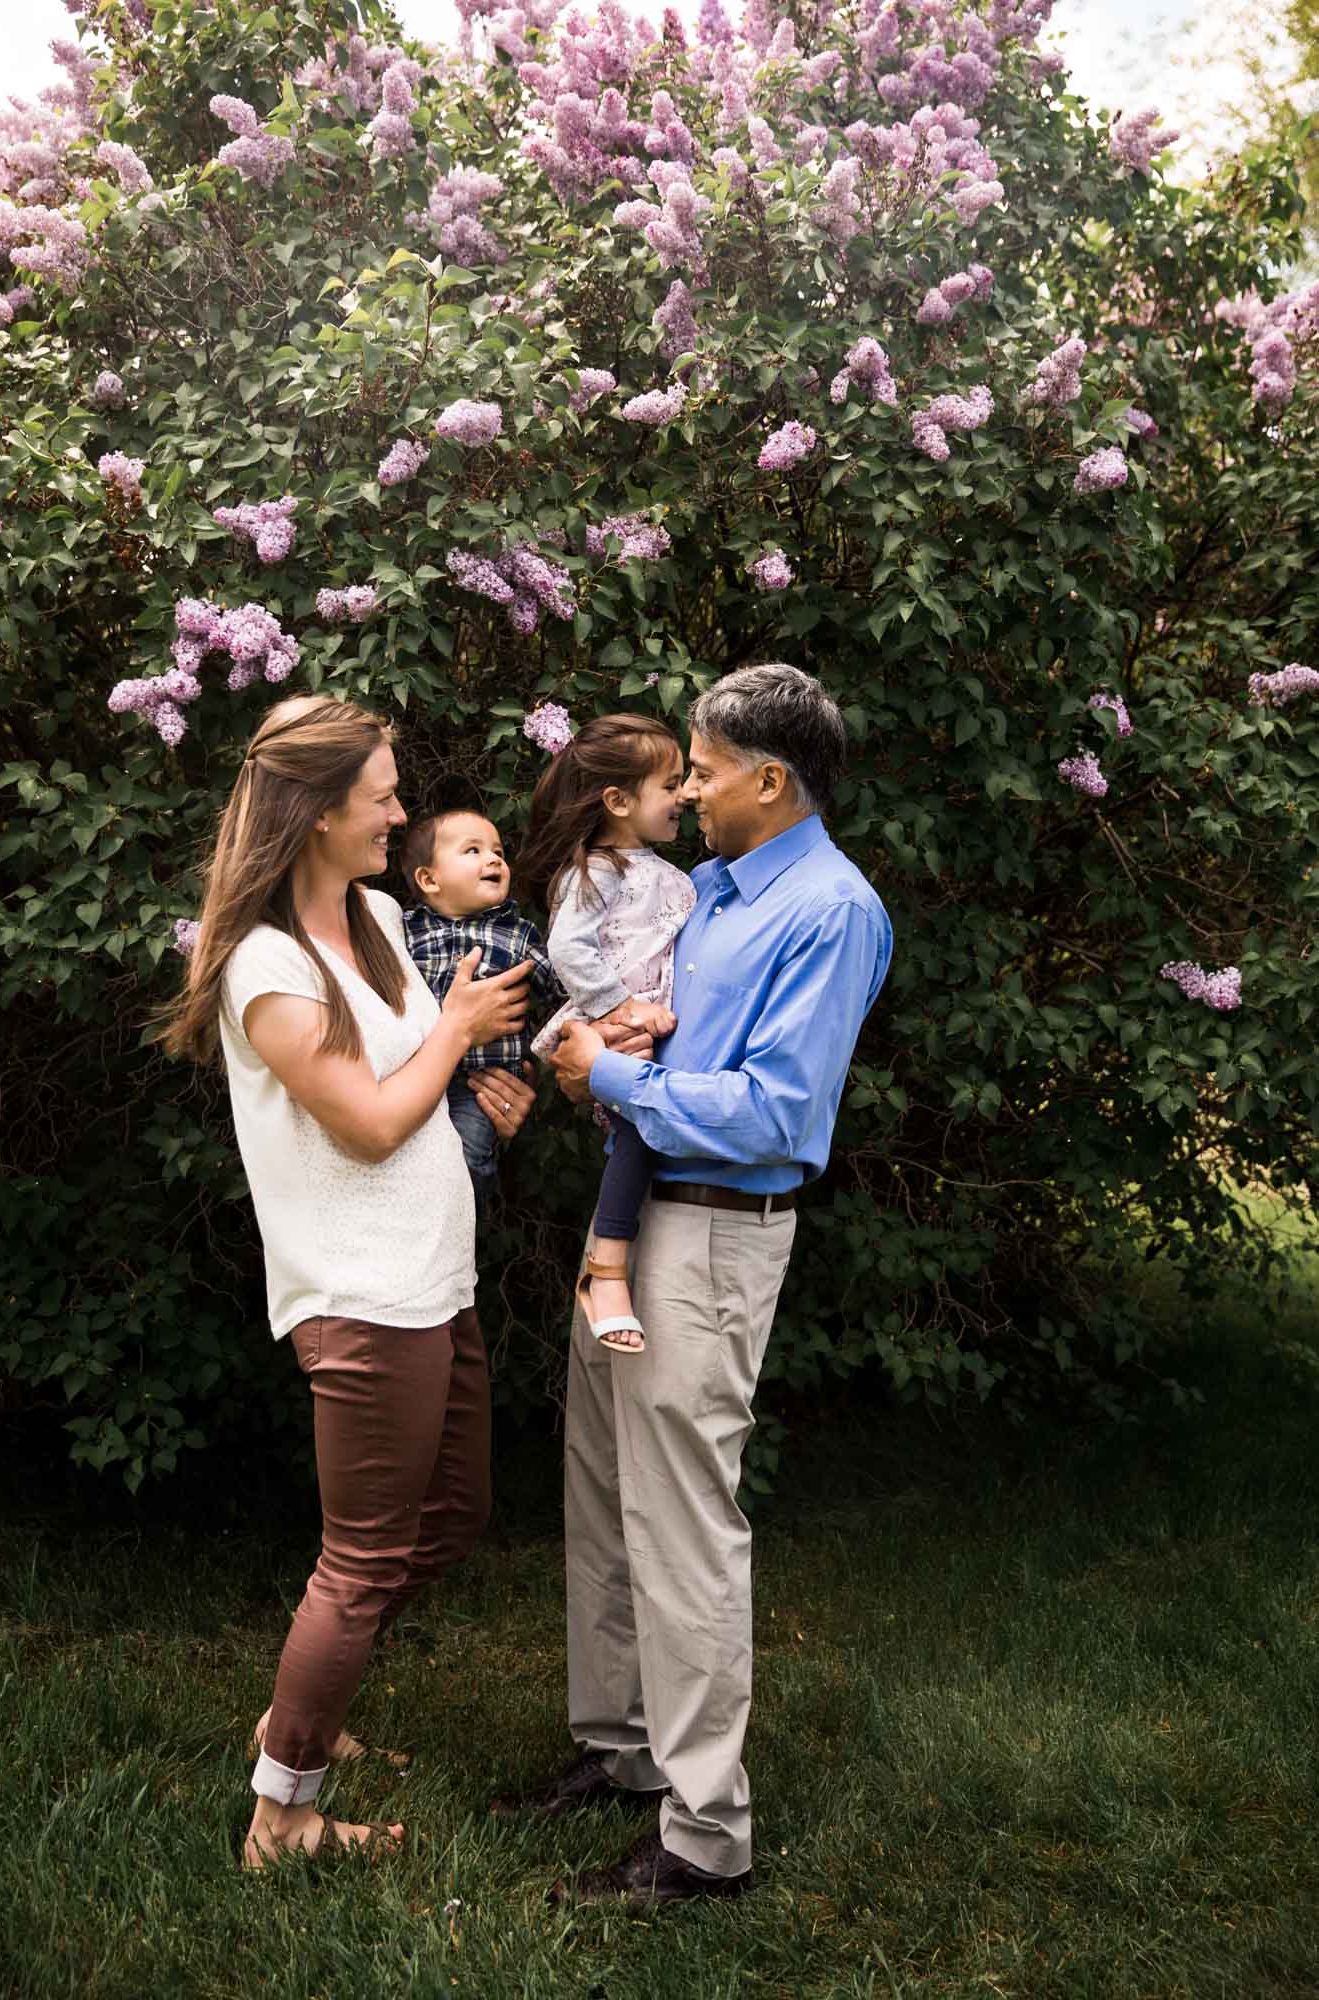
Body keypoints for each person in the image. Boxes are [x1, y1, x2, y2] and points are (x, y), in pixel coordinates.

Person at [519, 664, 894, 1910]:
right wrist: (595, 1061)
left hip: (716, 1229)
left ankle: (703, 1837)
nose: (688, 786)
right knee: (604, 1492)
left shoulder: (828, 910)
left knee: (681, 1524)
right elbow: (656, 1036)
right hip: (637, 1218)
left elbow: (778, 1109)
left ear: (769, 778)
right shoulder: (716, 893)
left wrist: (617, 1082)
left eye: (704, 767)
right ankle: (622, 1750)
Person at [160, 694, 540, 1869]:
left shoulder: (373, 918)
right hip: (360, 1294)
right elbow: (371, 1121)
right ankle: (285, 1811)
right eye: (379, 792)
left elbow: (409, 1083)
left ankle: (299, 1718)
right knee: (363, 1557)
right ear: (318, 811)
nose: (398, 809)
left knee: (452, 1515)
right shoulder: (264, 967)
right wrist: (460, 1030)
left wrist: (483, 1088)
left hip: (434, 1273)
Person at [517, 714, 697, 1355]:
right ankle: (607, 1273)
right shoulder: (597, 869)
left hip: (645, 1023)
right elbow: (569, 948)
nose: (686, 796)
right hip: (611, 1020)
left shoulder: (664, 871)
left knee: (642, 1136)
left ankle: (615, 1263)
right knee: (637, 1136)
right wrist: (621, 1008)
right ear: (618, 801)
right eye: (671, 784)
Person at [401, 806, 567, 1217]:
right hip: (414, 1076)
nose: (493, 859)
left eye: (497, 851)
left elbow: (561, 988)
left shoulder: (517, 933)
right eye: (472, 851)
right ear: (429, 879)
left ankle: (454, 1228)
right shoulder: (404, 931)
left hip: (483, 1084)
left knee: (466, 1159)